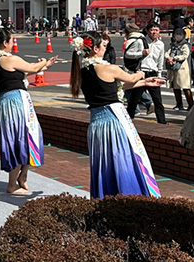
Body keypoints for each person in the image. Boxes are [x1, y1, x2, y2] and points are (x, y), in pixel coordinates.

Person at [70, 32, 164, 198]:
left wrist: (144, 83)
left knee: (104, 165)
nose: (106, 49)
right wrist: (141, 74)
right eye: (104, 46)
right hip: (113, 122)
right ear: (95, 49)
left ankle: (105, 198)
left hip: (96, 124)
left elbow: (112, 88)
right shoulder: (109, 68)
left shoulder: (83, 71)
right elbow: (131, 77)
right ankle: (128, 198)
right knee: (123, 161)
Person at [0, 28, 57, 196]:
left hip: (10, 101)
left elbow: (31, 70)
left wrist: (44, 65)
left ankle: (22, 177)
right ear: (5, 43)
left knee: (28, 137)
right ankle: (12, 183)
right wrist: (43, 62)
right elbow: (31, 67)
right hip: (15, 102)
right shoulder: (8, 59)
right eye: (11, 41)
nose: (13, 44)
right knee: (20, 139)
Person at [127, 22, 167, 124]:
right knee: (134, 99)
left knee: (158, 101)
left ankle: (162, 123)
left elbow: (160, 60)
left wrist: (159, 74)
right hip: (141, 73)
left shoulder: (161, 44)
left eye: (156, 30)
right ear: (147, 31)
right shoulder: (141, 41)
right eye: (152, 30)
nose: (154, 32)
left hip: (153, 73)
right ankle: (128, 120)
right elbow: (128, 54)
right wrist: (141, 53)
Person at [165, 28, 193, 111]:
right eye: (177, 34)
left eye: (180, 34)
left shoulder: (185, 45)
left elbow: (185, 55)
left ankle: (191, 104)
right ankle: (179, 103)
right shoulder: (173, 44)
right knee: (175, 87)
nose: (178, 36)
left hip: (182, 69)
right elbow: (167, 52)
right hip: (173, 68)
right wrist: (168, 58)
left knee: (185, 87)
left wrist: (175, 58)